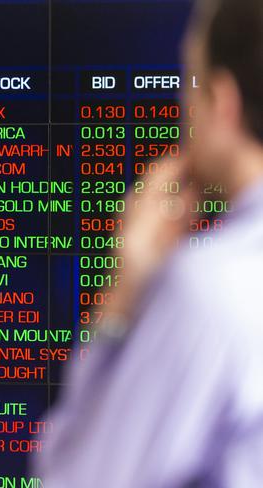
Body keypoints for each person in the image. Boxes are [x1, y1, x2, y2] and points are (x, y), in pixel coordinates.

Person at [30, 0, 263, 485]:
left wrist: (120, 301)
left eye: (188, 88)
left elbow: (77, 479)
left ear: (224, 103)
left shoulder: (211, 285)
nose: (182, 117)